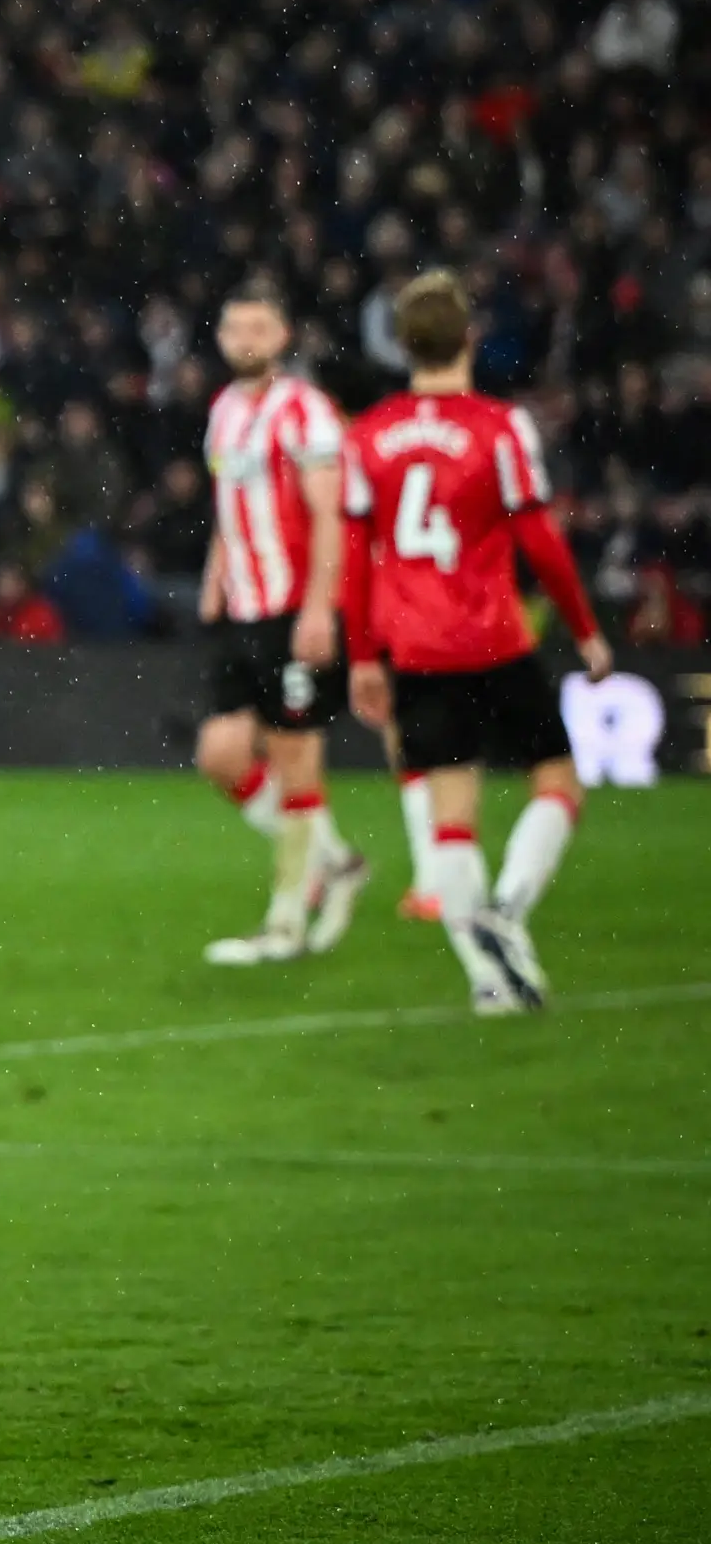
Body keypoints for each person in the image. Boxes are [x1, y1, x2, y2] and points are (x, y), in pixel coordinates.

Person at [340, 272, 613, 1015]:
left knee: (452, 813)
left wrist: (362, 657)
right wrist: (585, 629)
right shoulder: (500, 427)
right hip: (492, 637)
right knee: (557, 781)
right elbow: (540, 540)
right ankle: (509, 908)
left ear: (403, 346)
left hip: (416, 649)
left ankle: (490, 983)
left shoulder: (368, 437)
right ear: (469, 338)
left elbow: (357, 558)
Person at [192, 283, 379, 964]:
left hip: (292, 607)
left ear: (282, 337)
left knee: (297, 761)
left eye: (259, 328)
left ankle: (286, 923)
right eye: (235, 327)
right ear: (221, 338)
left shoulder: (305, 410)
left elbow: (330, 513)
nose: (246, 339)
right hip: (242, 607)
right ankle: (334, 862)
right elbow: (229, 500)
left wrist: (320, 608)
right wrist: (215, 572)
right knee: (220, 754)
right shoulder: (222, 411)